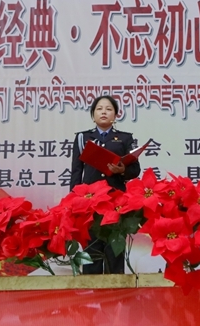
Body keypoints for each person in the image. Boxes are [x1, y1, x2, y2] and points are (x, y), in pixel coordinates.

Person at [70, 95, 140, 274]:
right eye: (99, 109)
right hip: (90, 203)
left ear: (115, 115)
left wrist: (122, 170)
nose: (104, 112)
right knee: (91, 251)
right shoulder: (82, 138)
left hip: (115, 202)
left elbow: (135, 170)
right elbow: (76, 172)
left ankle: (116, 291)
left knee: (114, 252)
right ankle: (91, 291)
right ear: (93, 115)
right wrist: (74, 202)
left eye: (109, 109)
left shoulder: (125, 138)